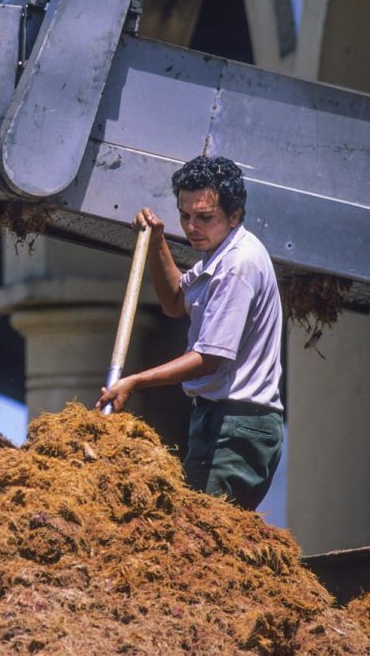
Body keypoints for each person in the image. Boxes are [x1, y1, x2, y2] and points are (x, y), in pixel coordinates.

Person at [96, 155, 284, 511]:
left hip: (237, 425)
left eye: (204, 217)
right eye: (185, 216)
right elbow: (174, 302)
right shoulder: (217, 254)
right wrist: (157, 243)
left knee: (200, 536)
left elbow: (208, 358)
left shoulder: (238, 265)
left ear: (235, 215)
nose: (192, 227)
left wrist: (134, 382)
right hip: (221, 419)